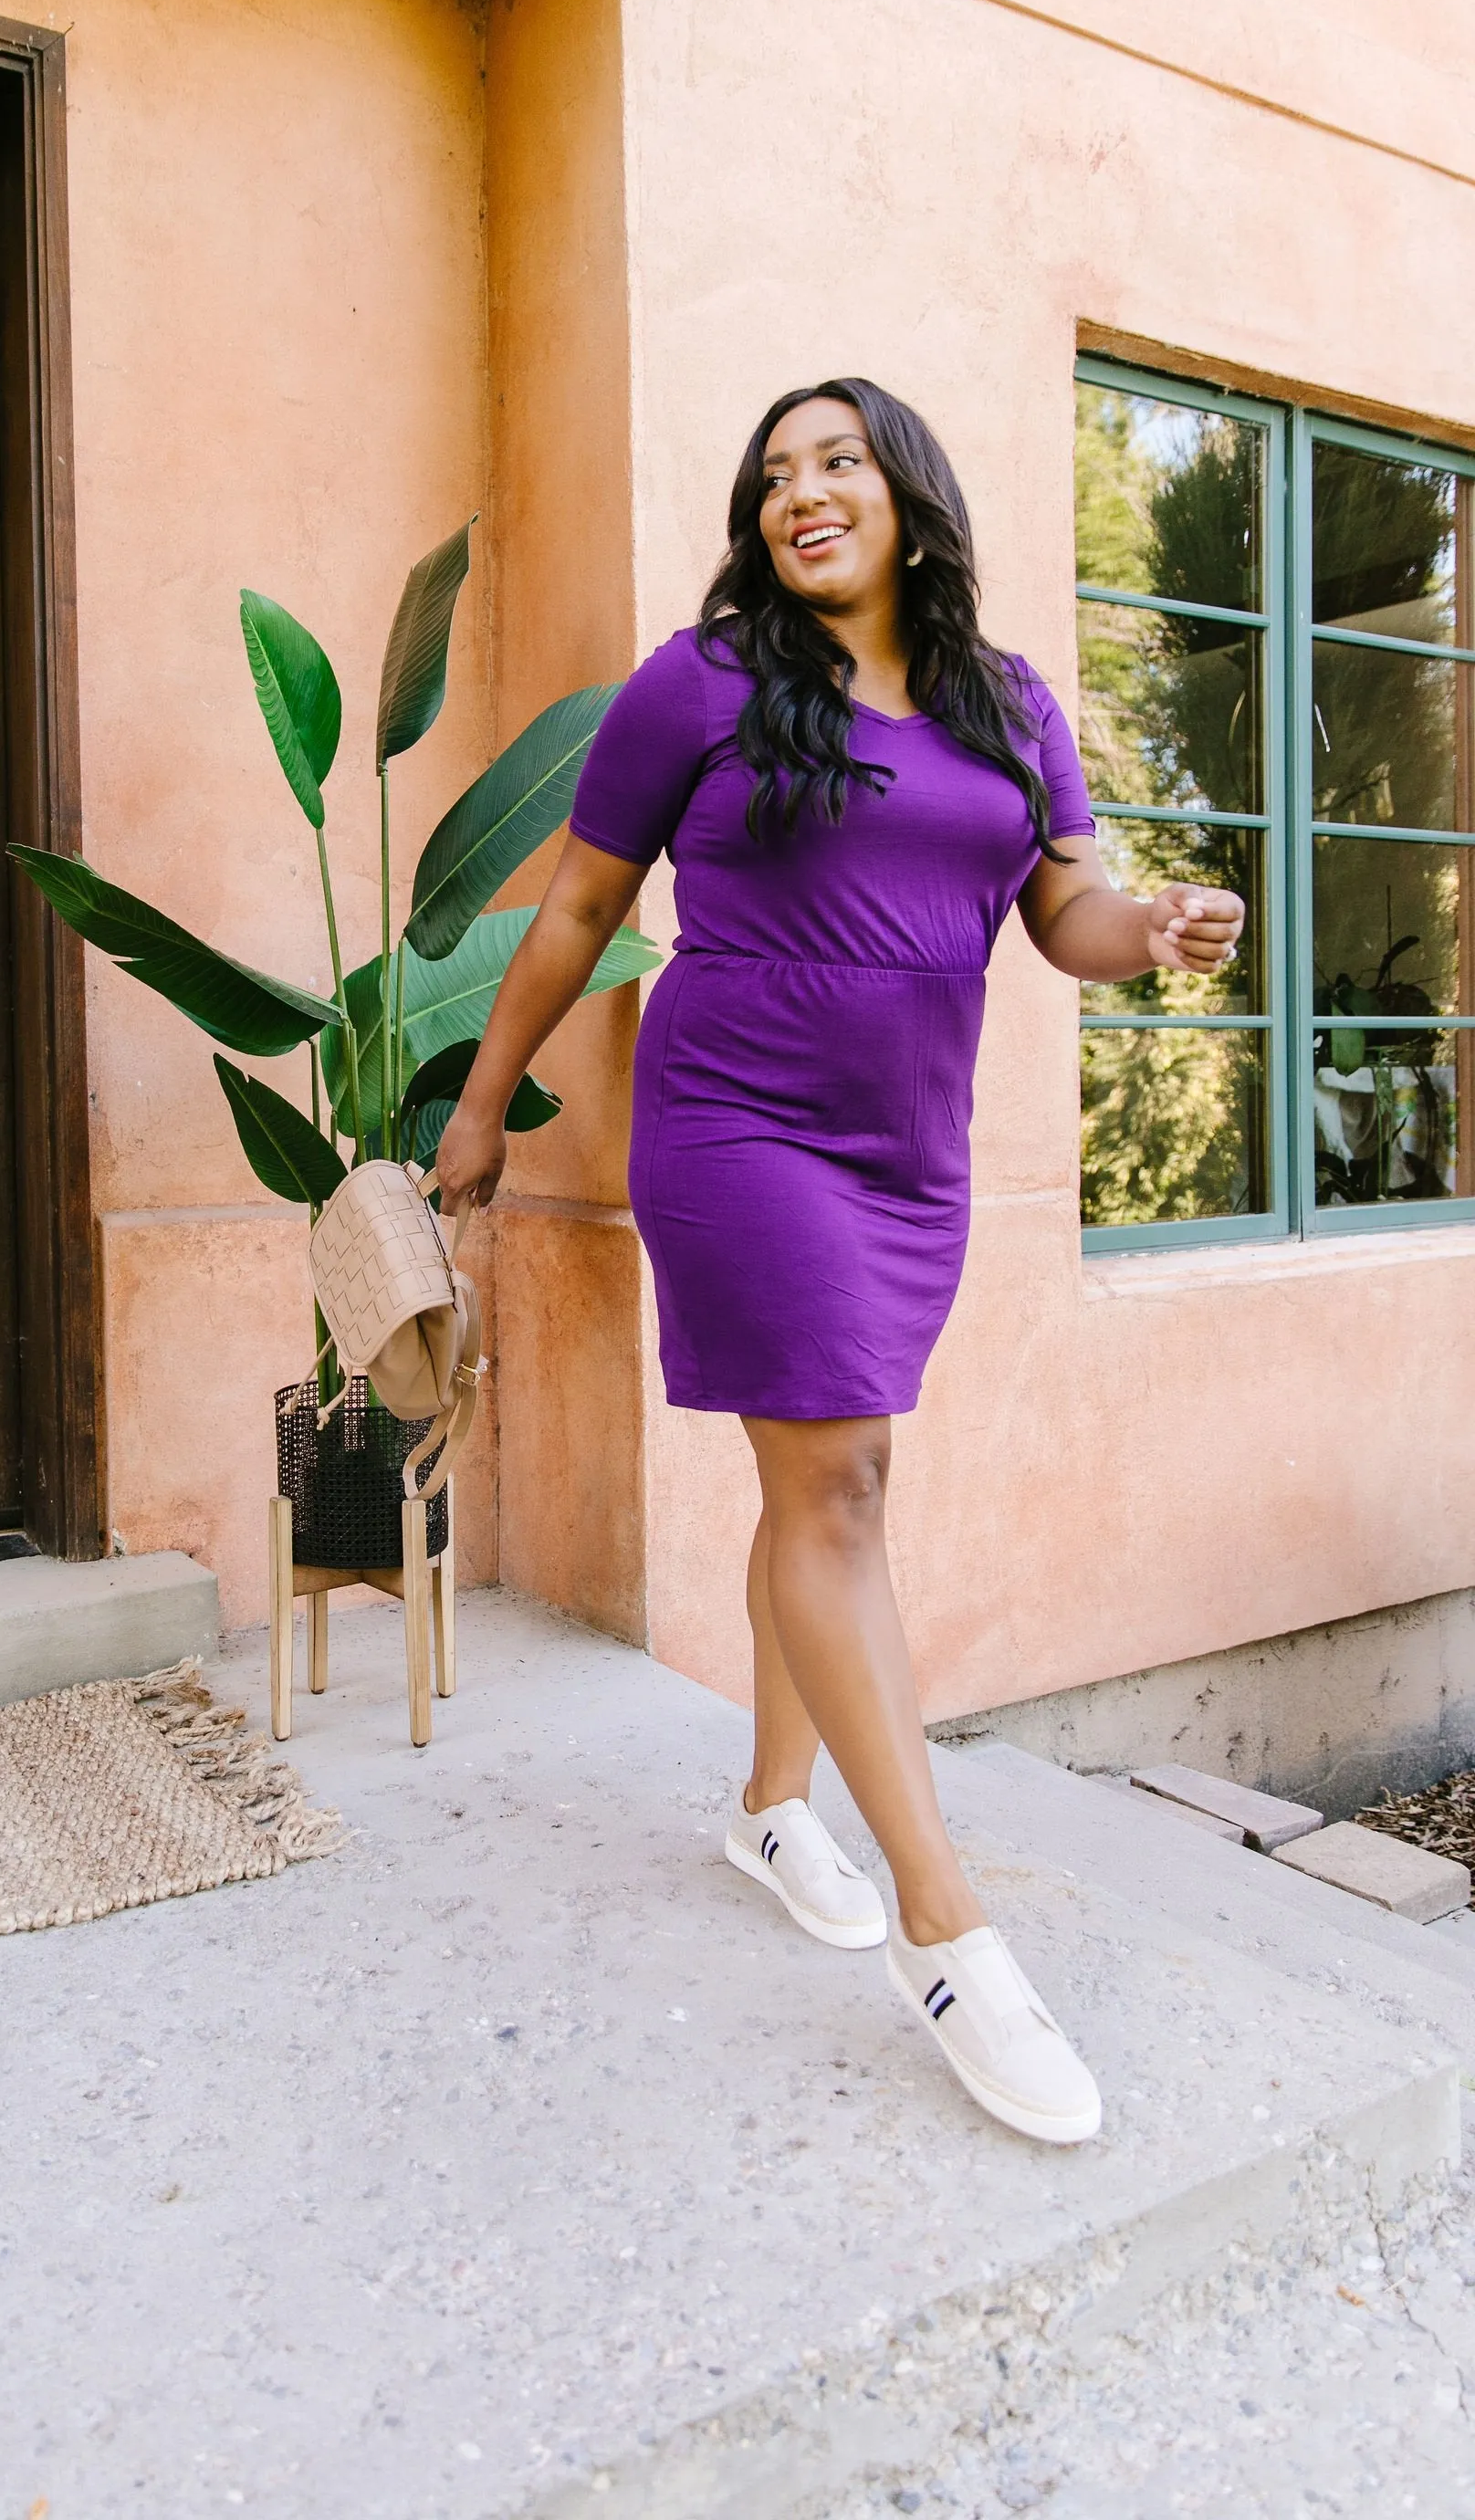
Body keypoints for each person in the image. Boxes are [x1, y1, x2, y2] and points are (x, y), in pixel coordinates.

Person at [433, 380, 1244, 2145]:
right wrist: (486, 1106)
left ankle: (771, 1806)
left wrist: (1158, 927)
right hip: (737, 1130)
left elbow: (1066, 916)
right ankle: (949, 1932)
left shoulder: (1010, 704)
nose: (804, 494)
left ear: (907, 493)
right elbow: (578, 905)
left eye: (838, 463)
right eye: (775, 475)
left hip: (909, 1154)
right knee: (840, 1497)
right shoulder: (705, 683)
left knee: (835, 1480)